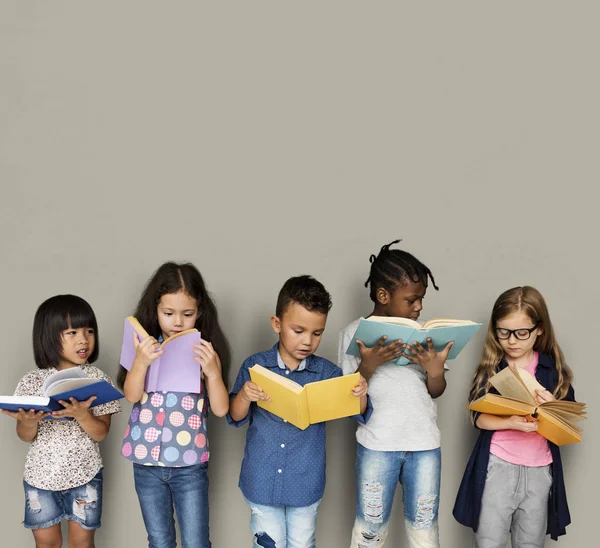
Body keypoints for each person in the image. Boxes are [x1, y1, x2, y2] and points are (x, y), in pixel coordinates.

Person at [228, 275, 370, 548]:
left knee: (303, 543)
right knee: (270, 544)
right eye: (298, 331)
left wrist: (361, 394)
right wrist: (245, 395)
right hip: (261, 479)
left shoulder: (328, 373)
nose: (308, 341)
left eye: (317, 333)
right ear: (277, 324)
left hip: (305, 482)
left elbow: (358, 412)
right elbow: (235, 416)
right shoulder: (256, 365)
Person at [338, 240, 453, 548]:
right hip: (378, 445)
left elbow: (436, 391)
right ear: (383, 295)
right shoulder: (354, 334)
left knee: (424, 527)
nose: (419, 307)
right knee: (370, 528)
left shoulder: (423, 335)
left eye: (421, 299)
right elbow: (347, 401)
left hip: (425, 445)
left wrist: (435, 370)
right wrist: (368, 367)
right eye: (412, 299)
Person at [117, 262, 230, 548]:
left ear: (200, 312)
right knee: (159, 540)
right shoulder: (144, 346)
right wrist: (141, 362)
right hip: (146, 461)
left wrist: (214, 373)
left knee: (196, 542)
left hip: (189, 463)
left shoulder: (205, 351)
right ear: (155, 309)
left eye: (187, 314)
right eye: (168, 313)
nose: (177, 322)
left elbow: (220, 409)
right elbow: (131, 395)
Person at [453, 286, 577, 546]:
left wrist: (552, 406)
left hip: (539, 470)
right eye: (503, 332)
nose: (511, 341)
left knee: (530, 542)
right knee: (489, 541)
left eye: (521, 333)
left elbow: (569, 421)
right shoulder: (492, 367)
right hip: (497, 466)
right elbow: (477, 418)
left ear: (539, 329)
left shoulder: (551, 370)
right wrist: (510, 423)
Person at [3, 294, 121, 548]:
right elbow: (25, 436)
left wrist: (82, 415)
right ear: (48, 335)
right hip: (40, 478)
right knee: (46, 543)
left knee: (82, 542)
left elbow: (101, 433)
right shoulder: (32, 381)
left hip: (85, 475)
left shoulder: (98, 380)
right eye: (72, 332)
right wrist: (28, 421)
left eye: (89, 330)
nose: (84, 339)